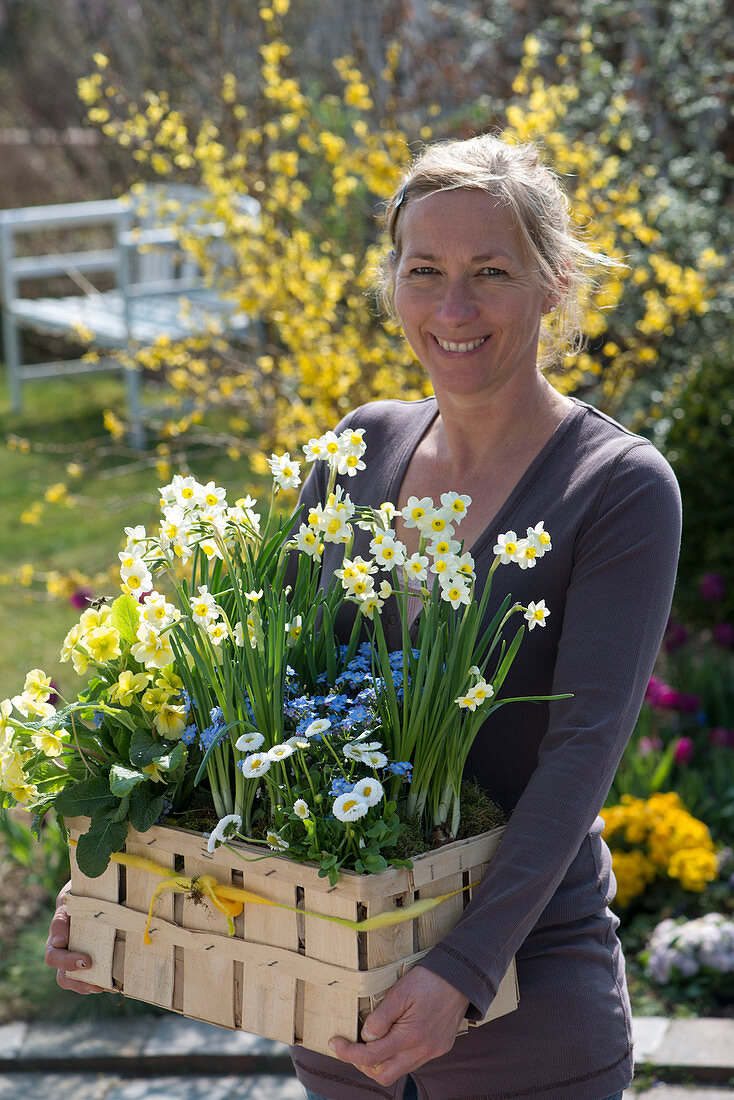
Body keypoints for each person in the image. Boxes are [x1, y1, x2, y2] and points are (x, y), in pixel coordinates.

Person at [46, 133, 681, 1100]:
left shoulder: (618, 488)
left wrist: (460, 975)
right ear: (393, 285)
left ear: (554, 284)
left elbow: (580, 758)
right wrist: (117, 884)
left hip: (525, 1018)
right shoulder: (359, 450)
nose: (453, 308)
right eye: (424, 270)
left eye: (491, 273)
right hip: (334, 1002)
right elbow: (262, 701)